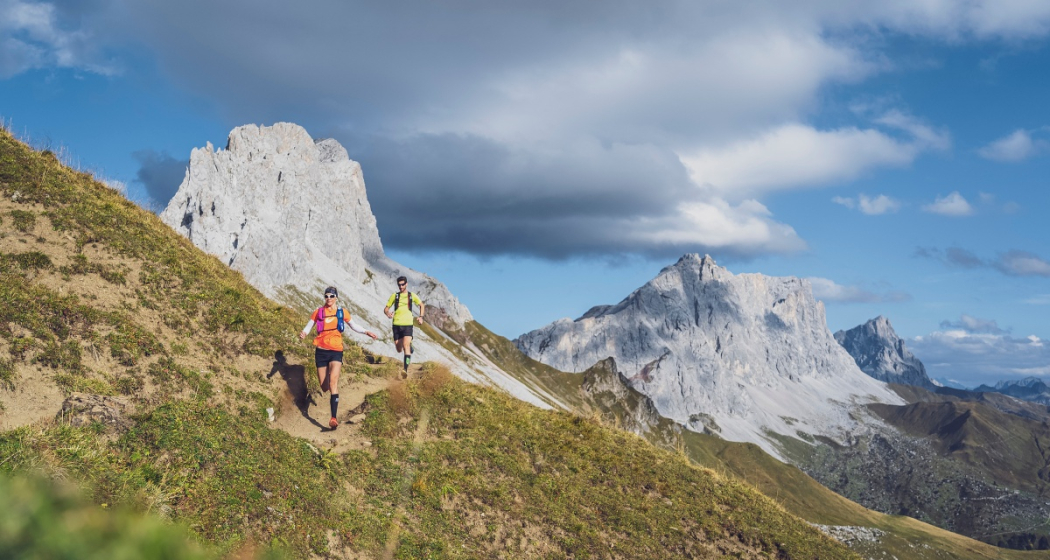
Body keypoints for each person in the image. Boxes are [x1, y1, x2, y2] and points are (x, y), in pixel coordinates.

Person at [299, 286, 377, 429]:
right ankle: (329, 378)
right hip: (321, 351)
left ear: (336, 297)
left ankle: (333, 418)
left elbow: (353, 325)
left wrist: (366, 332)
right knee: (324, 387)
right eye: (326, 296)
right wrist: (304, 332)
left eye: (331, 296)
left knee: (333, 383)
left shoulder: (342, 312)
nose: (328, 298)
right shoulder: (318, 311)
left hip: (336, 351)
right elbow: (309, 325)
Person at [384, 276, 424, 377]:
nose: (401, 287)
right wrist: (388, 313)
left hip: (408, 324)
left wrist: (421, 317)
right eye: (399, 285)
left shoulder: (411, 295)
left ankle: (405, 369)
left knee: (406, 345)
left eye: (402, 284)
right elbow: (386, 308)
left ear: (406, 284)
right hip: (396, 324)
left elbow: (421, 305)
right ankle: (409, 345)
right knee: (399, 349)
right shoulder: (395, 296)